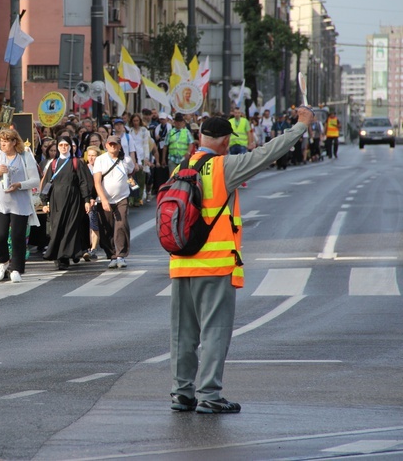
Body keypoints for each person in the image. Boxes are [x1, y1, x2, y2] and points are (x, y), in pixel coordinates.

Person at [168, 108, 313, 414]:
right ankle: (209, 394)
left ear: (199, 137)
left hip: (181, 263)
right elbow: (268, 153)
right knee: (214, 332)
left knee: (183, 334)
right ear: (222, 141)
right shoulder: (225, 167)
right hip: (215, 264)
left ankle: (182, 393)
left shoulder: (180, 168)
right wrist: (301, 126)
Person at [0, 129, 41, 282]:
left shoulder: (25, 156)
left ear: (14, 142)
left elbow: (35, 180)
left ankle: (16, 268)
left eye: (6, 141)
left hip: (19, 203)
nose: (2, 144)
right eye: (1, 141)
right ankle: (3, 261)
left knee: (17, 236)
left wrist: (20, 185)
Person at [41, 135, 93, 270]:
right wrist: (45, 202)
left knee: (71, 227)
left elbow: (83, 182)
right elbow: (47, 184)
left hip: (73, 200)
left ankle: (64, 257)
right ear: (57, 147)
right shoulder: (53, 164)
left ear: (70, 147)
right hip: (56, 201)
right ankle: (62, 255)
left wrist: (86, 200)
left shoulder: (77, 162)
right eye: (61, 145)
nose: (64, 148)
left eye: (66, 145)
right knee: (57, 227)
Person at [93, 135, 135, 268]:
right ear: (106, 146)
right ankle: (111, 255)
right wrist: (104, 200)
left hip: (121, 198)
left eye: (115, 144)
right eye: (110, 144)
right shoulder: (100, 160)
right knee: (106, 228)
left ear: (120, 146)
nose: (113, 147)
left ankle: (121, 255)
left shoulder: (126, 159)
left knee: (121, 225)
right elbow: (97, 182)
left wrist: (131, 183)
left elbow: (132, 171)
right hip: (104, 199)